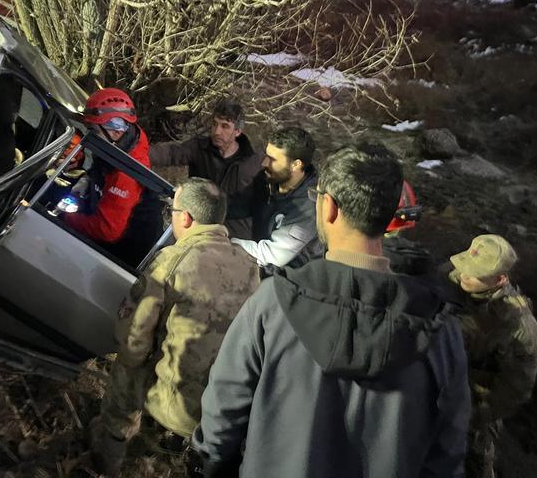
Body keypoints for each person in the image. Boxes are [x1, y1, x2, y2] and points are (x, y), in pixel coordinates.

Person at [192, 143, 471, 478]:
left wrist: (210, 467)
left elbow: (223, 413)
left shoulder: (273, 303)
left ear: (329, 208)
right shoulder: (440, 329)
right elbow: (447, 453)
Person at [90, 178, 259, 477]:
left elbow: (133, 340)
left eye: (172, 210)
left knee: (128, 360)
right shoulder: (249, 265)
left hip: (172, 401)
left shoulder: (171, 261)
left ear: (186, 218)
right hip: (220, 407)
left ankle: (109, 452)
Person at [448, 234, 537, 478]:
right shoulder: (446, 281)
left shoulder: (519, 327)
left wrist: (475, 417)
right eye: (465, 265)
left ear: (500, 279)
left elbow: (515, 389)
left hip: (473, 408)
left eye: (476, 274)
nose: (465, 275)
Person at [63, 87, 161, 265]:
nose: (89, 136)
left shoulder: (127, 173)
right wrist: (88, 179)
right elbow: (100, 169)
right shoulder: (116, 145)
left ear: (116, 131)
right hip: (105, 232)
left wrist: (64, 217)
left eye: (92, 130)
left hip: (119, 258)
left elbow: (107, 230)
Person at [149, 99, 261, 239]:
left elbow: (258, 205)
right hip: (194, 224)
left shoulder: (253, 164)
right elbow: (171, 153)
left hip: (232, 236)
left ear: (237, 131)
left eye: (225, 126)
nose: (217, 131)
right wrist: (138, 153)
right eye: (214, 124)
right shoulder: (199, 147)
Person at [230, 127, 320, 268]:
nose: (264, 163)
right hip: (263, 271)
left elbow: (271, 255)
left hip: (292, 281)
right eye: (266, 156)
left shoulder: (309, 206)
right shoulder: (267, 180)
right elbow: (237, 204)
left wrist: (220, 243)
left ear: (296, 165)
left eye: (272, 159)